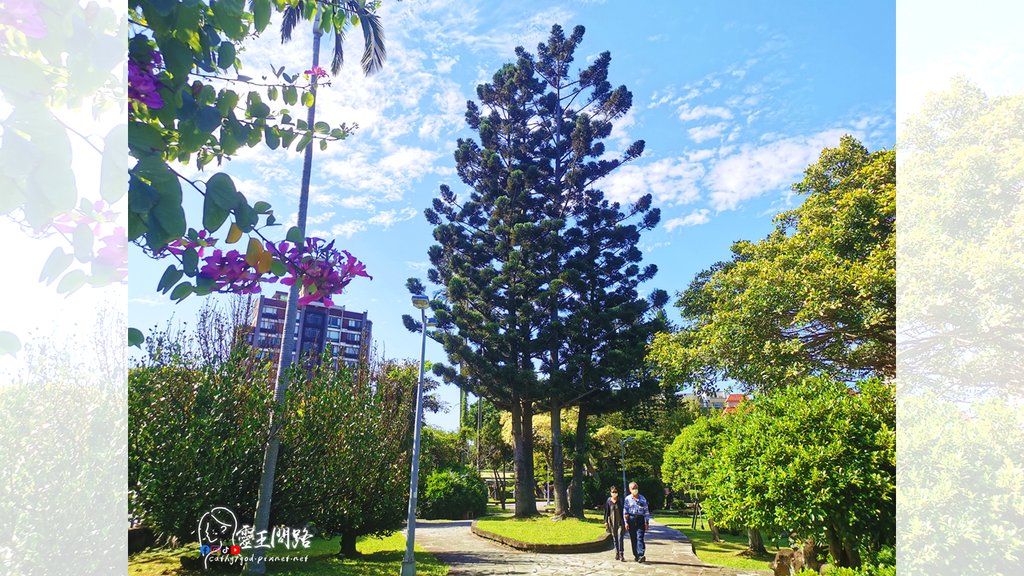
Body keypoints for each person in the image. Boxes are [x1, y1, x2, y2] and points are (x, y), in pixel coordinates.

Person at [623, 481, 651, 562]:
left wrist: (647, 522)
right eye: (633, 488)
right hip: (631, 519)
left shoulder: (642, 498)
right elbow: (625, 511)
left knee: (640, 537)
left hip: (640, 519)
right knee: (633, 538)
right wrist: (626, 522)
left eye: (636, 488)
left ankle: (641, 553)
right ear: (630, 489)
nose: (634, 489)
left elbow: (646, 511)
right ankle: (636, 555)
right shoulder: (627, 499)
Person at [603, 486, 626, 562]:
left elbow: (623, 511)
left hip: (620, 522)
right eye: (613, 492)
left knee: (620, 538)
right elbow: (607, 512)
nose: (614, 493)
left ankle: (621, 553)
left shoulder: (620, 501)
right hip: (612, 522)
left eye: (615, 491)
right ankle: (617, 553)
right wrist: (606, 521)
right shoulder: (609, 501)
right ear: (610, 493)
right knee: (615, 538)